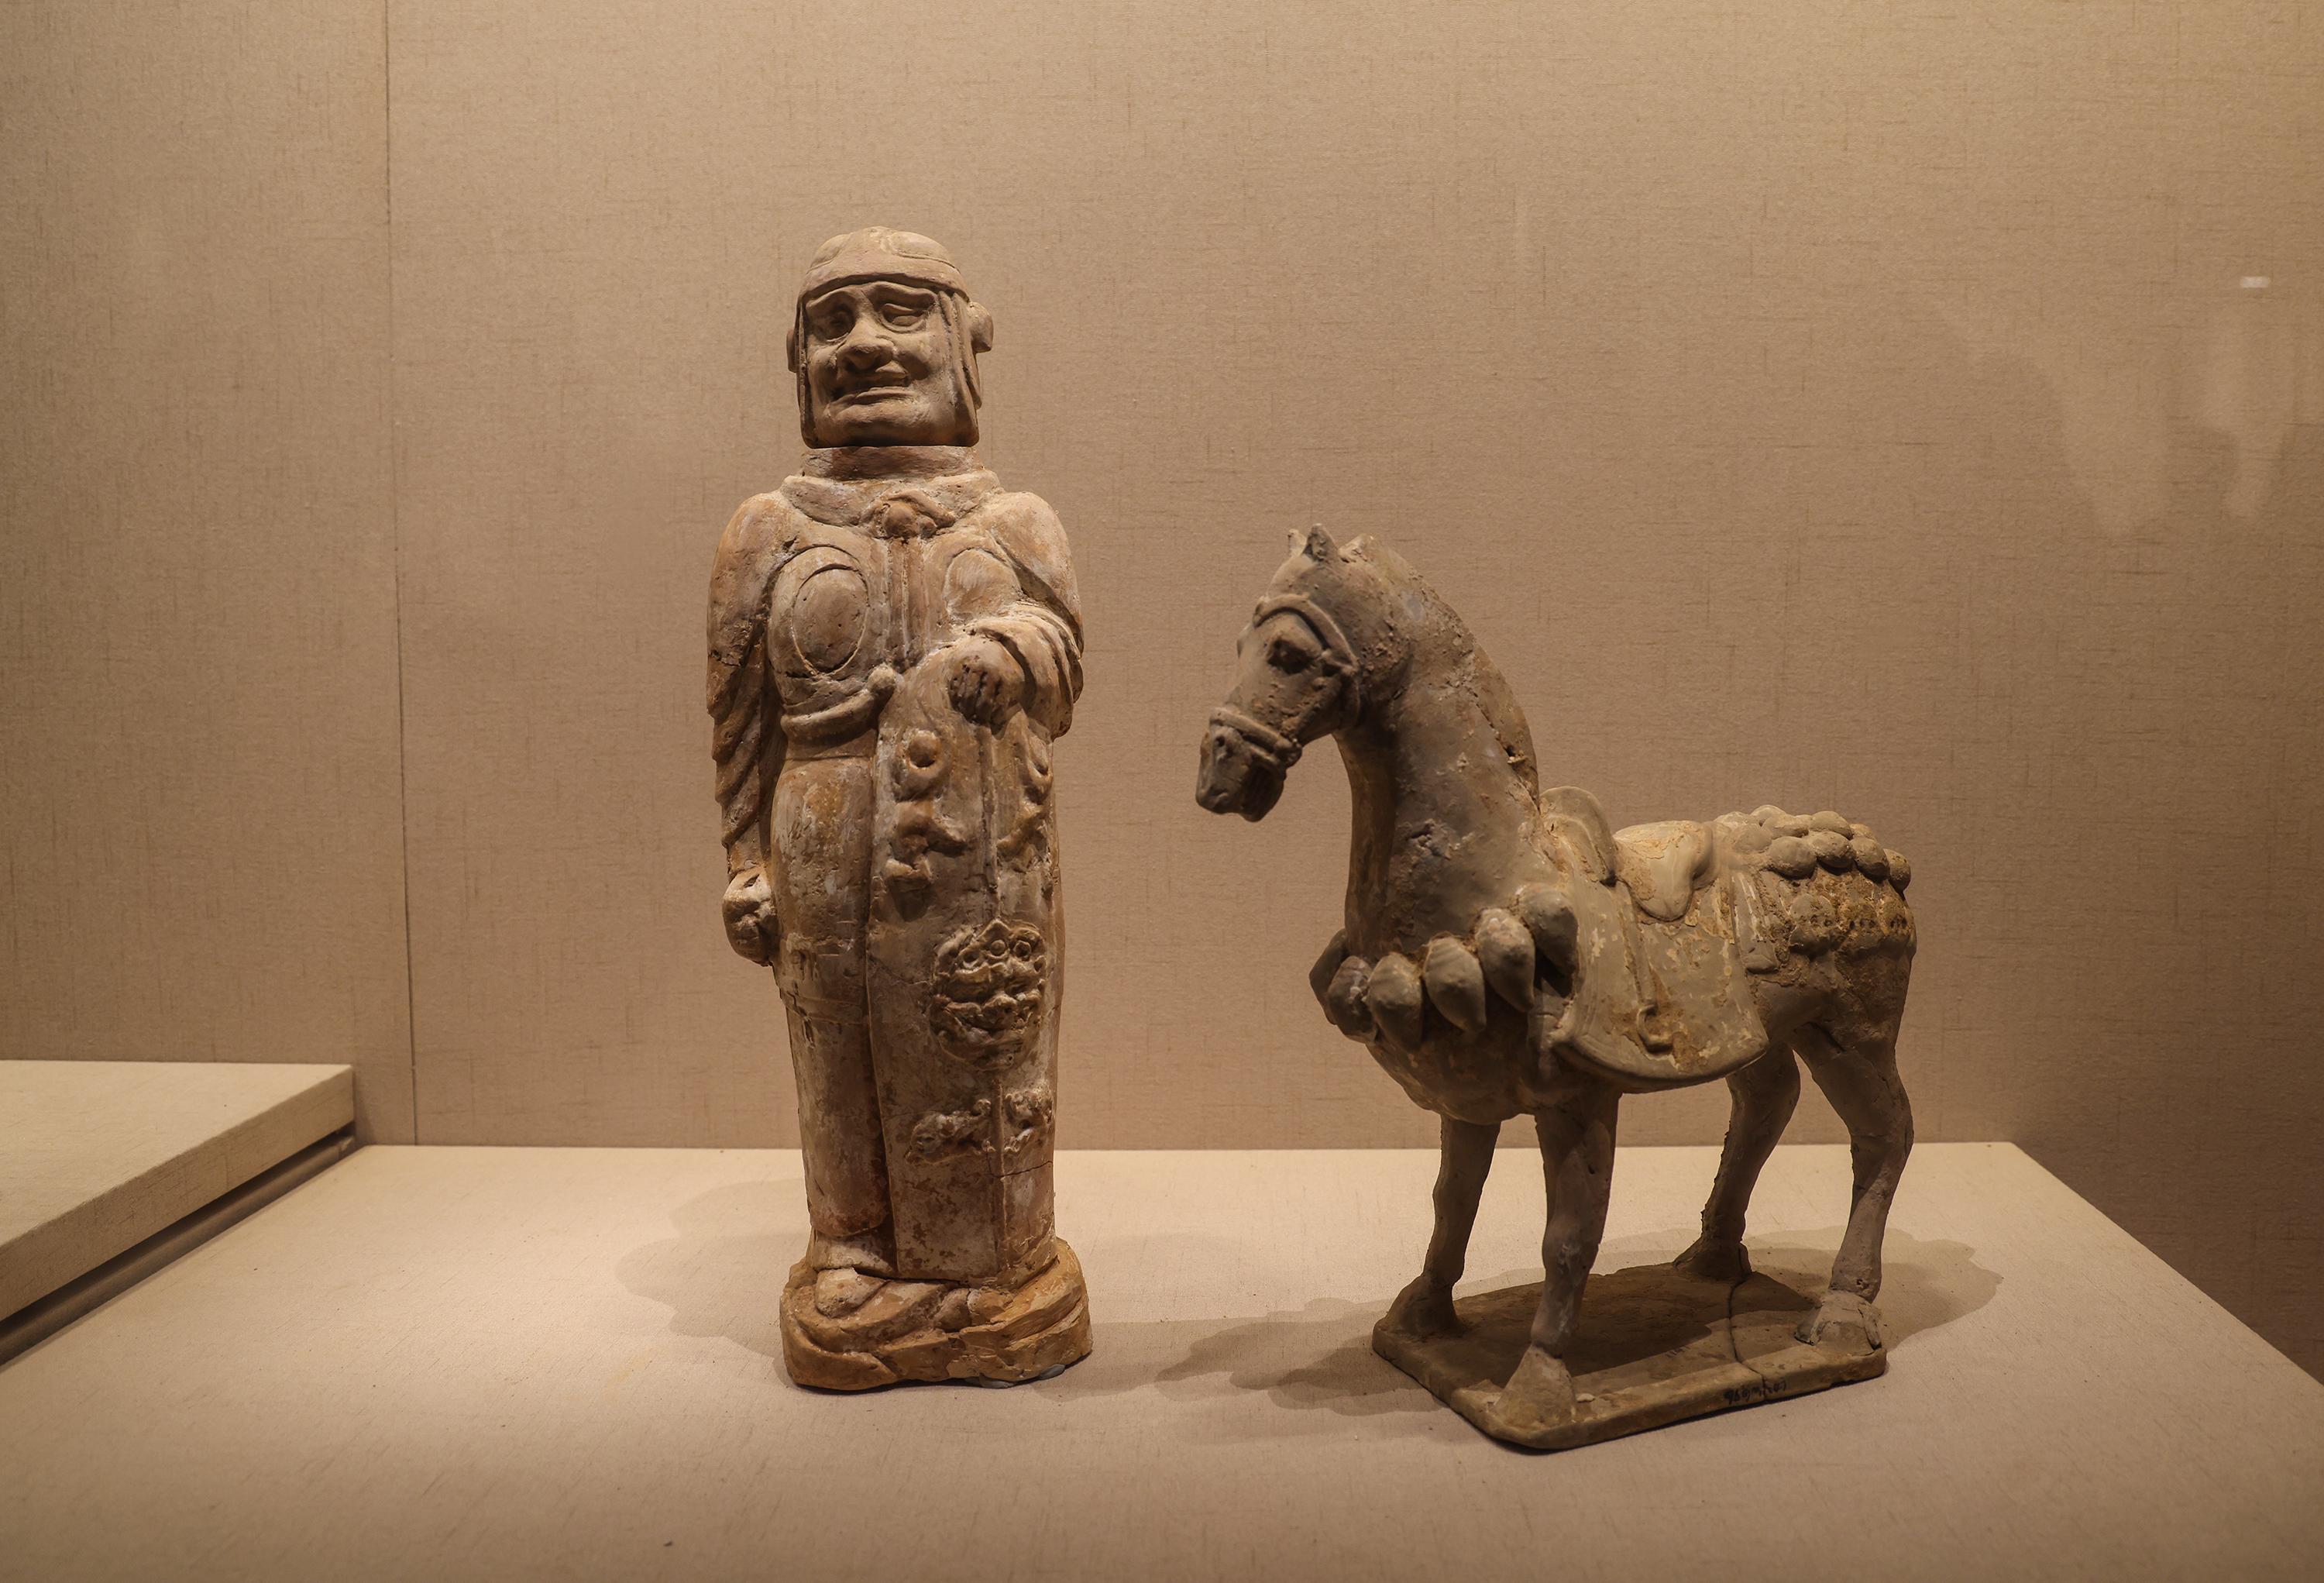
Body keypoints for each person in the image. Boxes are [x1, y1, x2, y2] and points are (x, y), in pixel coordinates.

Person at [706, 228, 1089, 1386]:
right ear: (799, 360)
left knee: (992, 1026)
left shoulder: (1017, 521)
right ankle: (851, 1243)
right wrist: (745, 859)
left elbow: (1067, 668)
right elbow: (739, 718)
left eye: (899, 312)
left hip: (989, 836)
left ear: (965, 344)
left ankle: (1001, 1249)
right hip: (821, 825)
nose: (865, 343)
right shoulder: (769, 531)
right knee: (830, 1037)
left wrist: (1018, 649)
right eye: (834, 323)